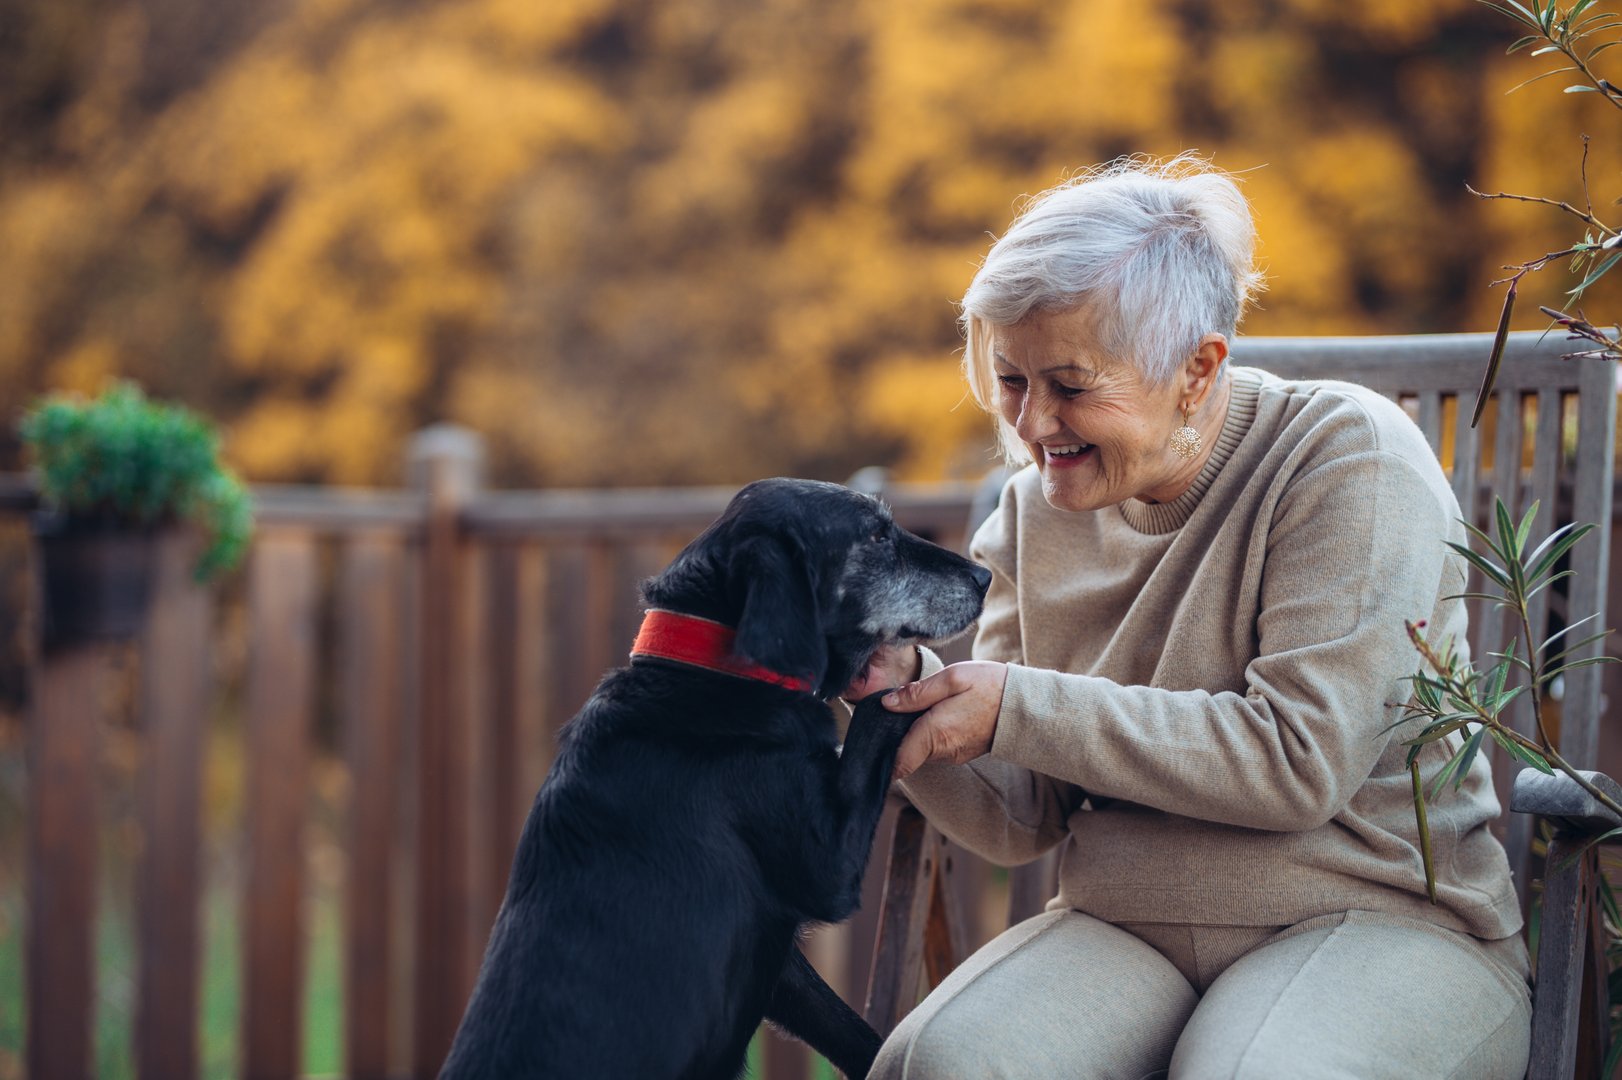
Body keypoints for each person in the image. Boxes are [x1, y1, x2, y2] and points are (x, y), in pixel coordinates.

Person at [841, 156, 1532, 1078]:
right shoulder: (1035, 511)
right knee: (943, 1064)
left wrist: (1016, 705)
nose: (1038, 423)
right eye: (1012, 382)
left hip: (1375, 915)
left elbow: (1299, 762)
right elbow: (1021, 817)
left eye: (1073, 385)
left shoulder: (1346, 461)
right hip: (1123, 926)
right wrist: (913, 697)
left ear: (1198, 368)